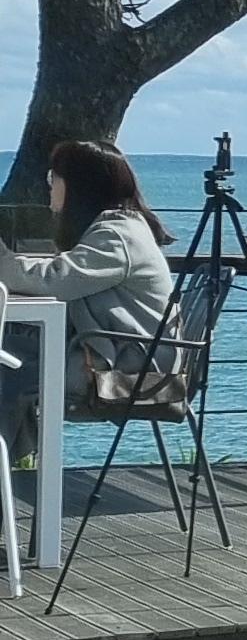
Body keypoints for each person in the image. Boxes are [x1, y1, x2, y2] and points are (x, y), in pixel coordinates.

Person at [1, 140, 179, 487]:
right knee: (11, 355)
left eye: (54, 177)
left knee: (10, 371)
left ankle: (5, 470)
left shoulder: (117, 235)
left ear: (79, 186)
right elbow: (63, 273)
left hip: (132, 369)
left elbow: (55, 280)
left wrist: (4, 260)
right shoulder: (118, 228)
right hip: (113, 351)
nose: (49, 184)